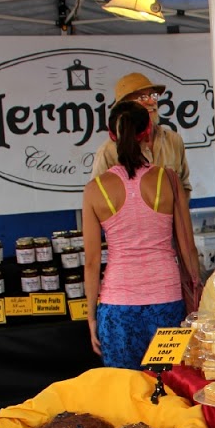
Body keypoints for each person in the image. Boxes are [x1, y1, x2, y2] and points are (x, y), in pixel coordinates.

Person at [81, 100, 200, 367]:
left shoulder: (94, 189)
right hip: (167, 302)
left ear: (112, 136)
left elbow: (91, 262)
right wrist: (197, 296)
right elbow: (188, 248)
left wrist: (91, 318)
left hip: (117, 307)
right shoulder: (168, 180)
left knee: (126, 389)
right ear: (148, 133)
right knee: (168, 384)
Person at [89, 70, 192, 199]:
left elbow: (185, 187)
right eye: (142, 97)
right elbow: (98, 197)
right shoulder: (108, 151)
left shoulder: (173, 140)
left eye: (153, 95)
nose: (151, 102)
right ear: (125, 107)